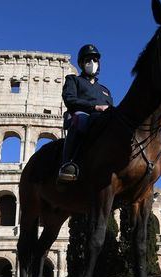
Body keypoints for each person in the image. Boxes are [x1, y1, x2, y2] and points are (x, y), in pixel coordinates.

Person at [58, 44, 114, 183]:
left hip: (104, 119)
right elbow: (70, 99)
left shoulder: (105, 90)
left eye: (95, 60)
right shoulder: (73, 80)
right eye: (88, 60)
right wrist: (95, 107)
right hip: (83, 115)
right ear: (82, 64)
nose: (92, 63)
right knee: (80, 120)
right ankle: (68, 163)